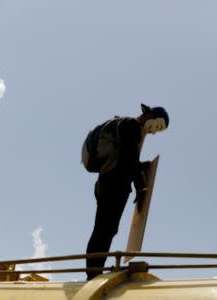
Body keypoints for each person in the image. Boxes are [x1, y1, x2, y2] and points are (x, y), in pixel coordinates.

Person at [85, 103, 169, 280]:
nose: (154, 131)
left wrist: (139, 167)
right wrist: (140, 187)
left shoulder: (128, 127)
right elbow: (129, 159)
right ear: (149, 115)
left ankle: (93, 271)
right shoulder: (132, 126)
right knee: (105, 229)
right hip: (114, 183)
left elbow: (128, 158)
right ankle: (93, 273)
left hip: (107, 181)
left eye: (159, 130)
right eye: (157, 125)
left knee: (104, 229)